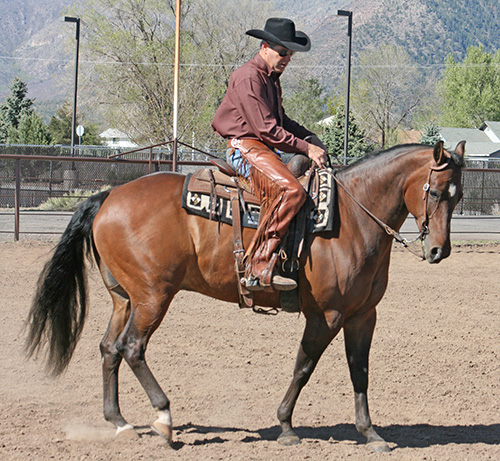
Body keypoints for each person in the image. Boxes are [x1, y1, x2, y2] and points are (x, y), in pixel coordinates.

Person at [212, 17, 328, 292]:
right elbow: (267, 130)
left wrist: (310, 137)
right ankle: (259, 265)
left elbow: (281, 121)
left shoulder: (270, 79)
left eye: (290, 53)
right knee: (292, 192)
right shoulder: (248, 77)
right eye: (282, 51)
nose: (287, 58)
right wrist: (306, 148)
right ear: (264, 47)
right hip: (245, 147)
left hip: (261, 146)